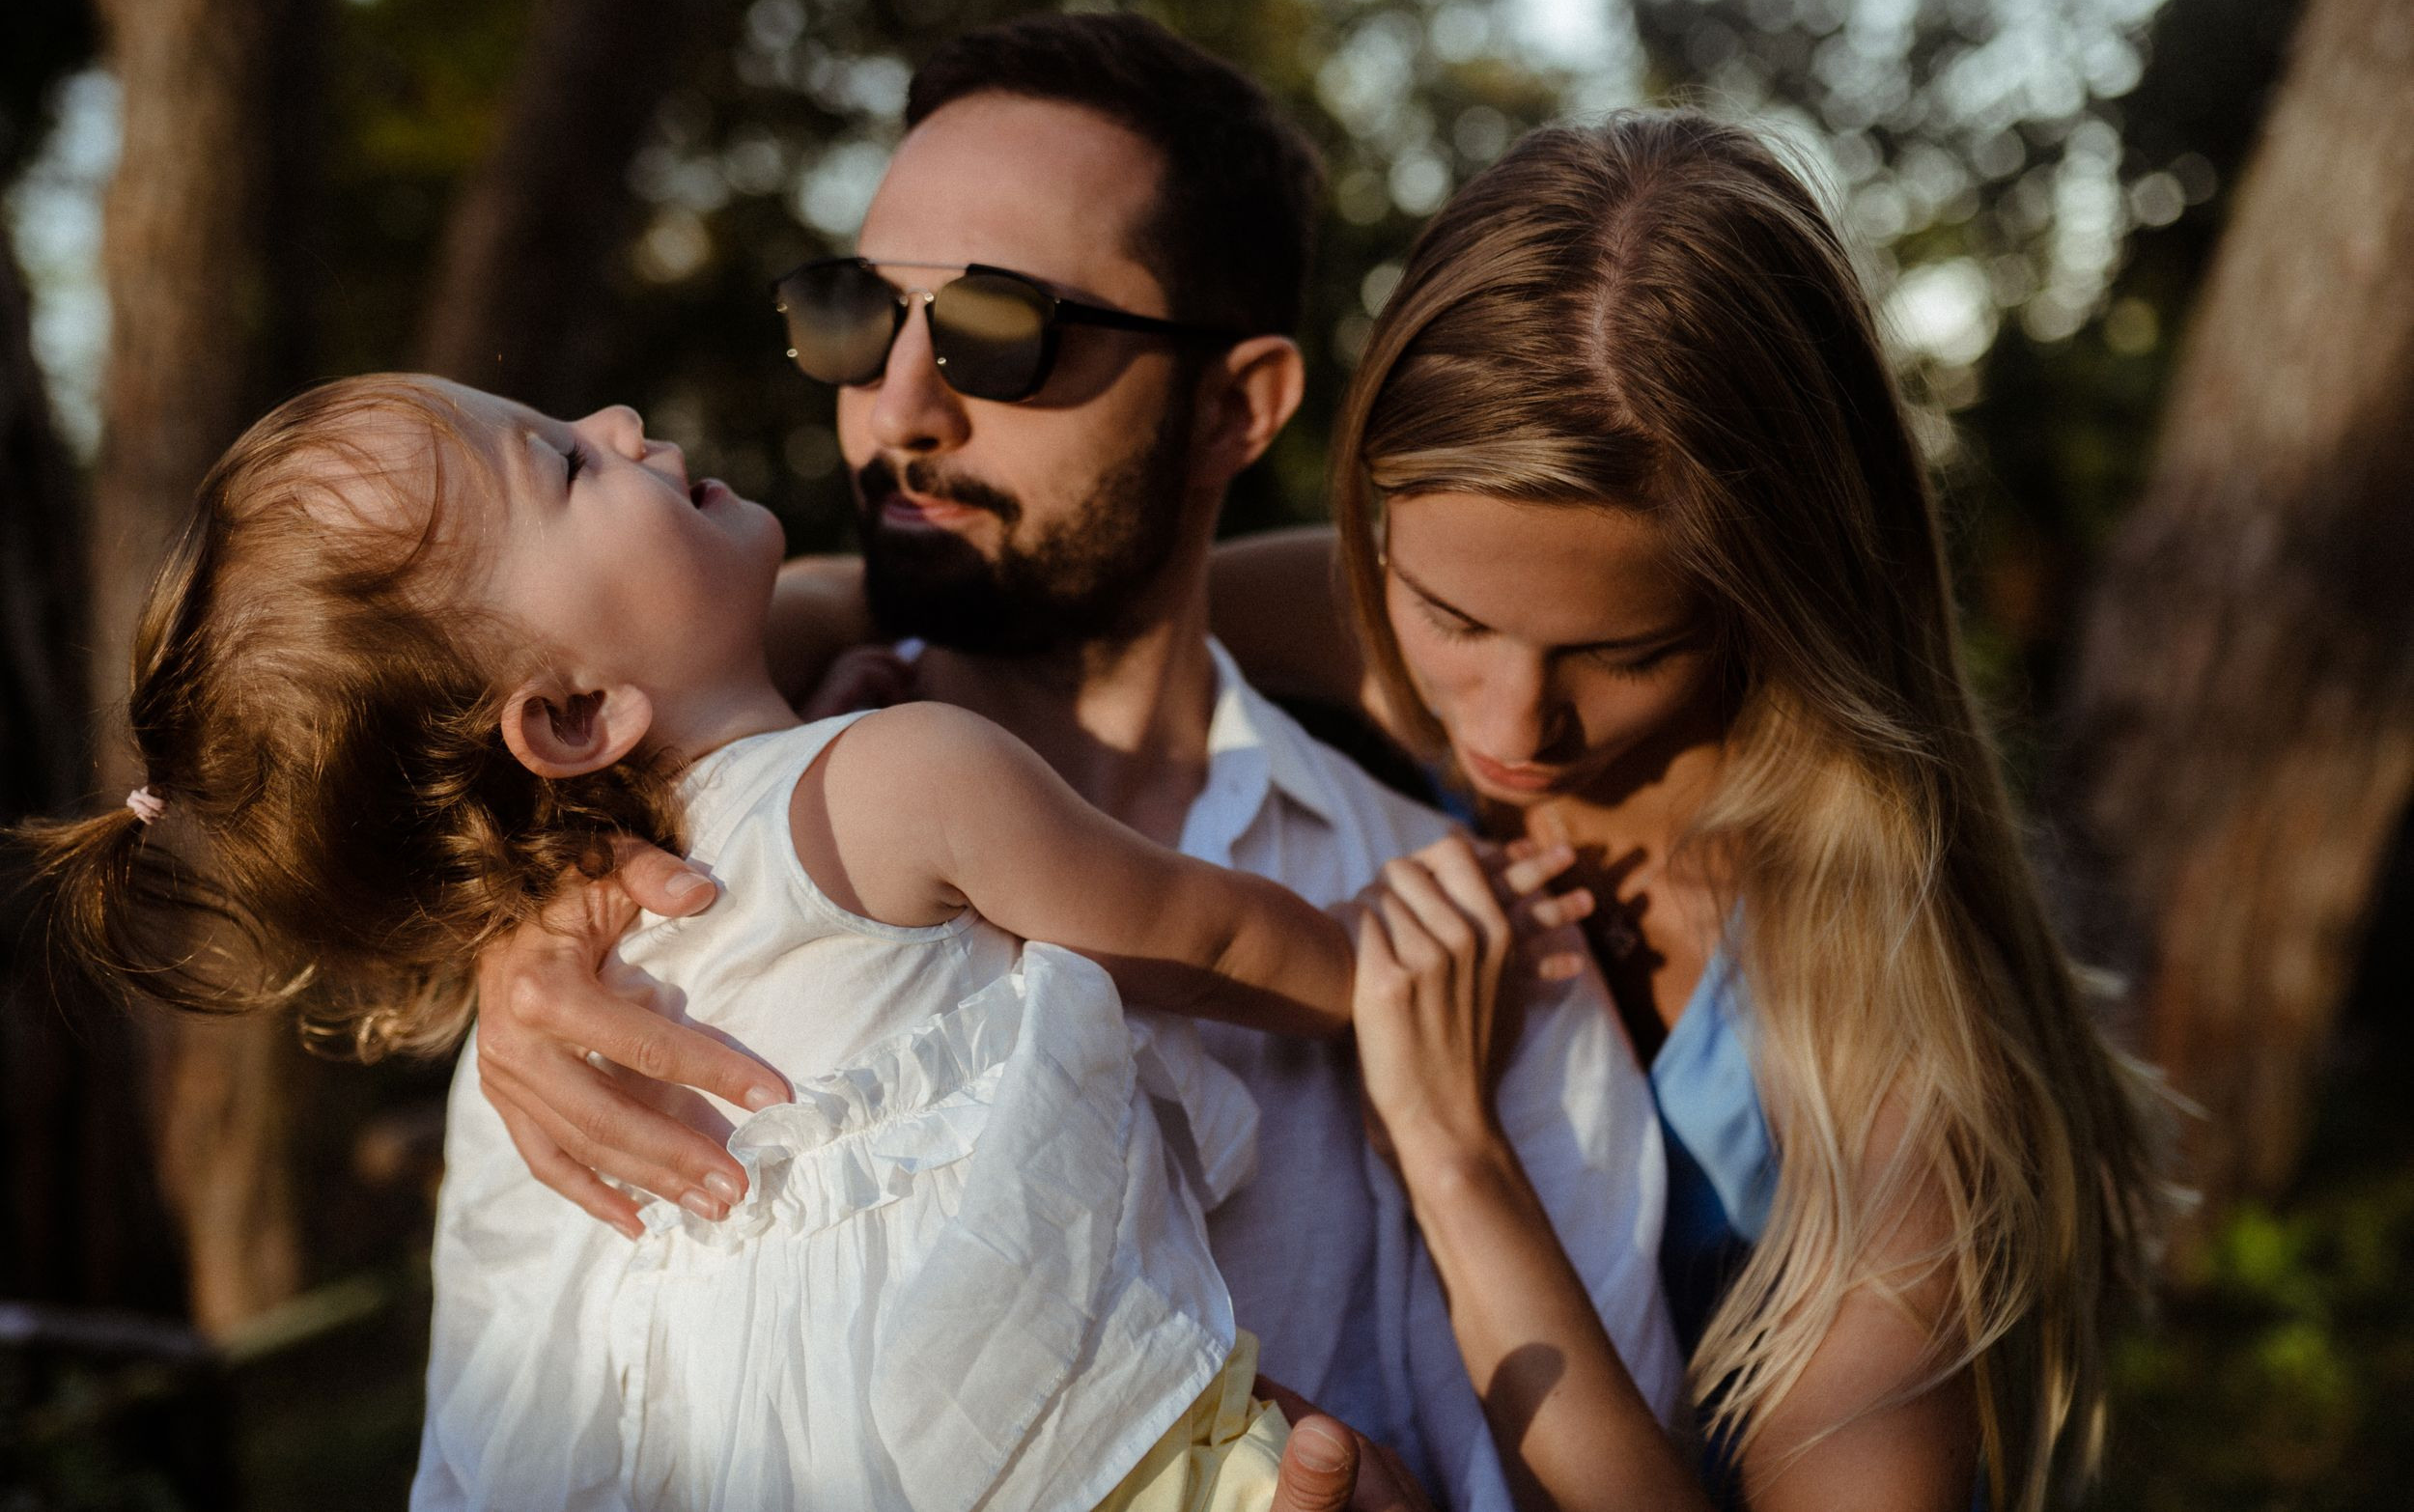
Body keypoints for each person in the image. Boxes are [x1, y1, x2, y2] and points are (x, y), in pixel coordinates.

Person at [457, 14, 1684, 1508]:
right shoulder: (602, 957)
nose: (897, 407)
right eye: (854, 316)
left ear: (1239, 405)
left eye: (995, 329)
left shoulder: (1455, 947)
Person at [17, 370, 1586, 1508]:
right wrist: (1400, 948)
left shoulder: (567, 989)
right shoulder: (906, 777)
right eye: (566, 465)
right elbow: (1209, 938)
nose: (623, 424)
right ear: (568, 714)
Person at [1198, 112, 2170, 1510]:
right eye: (1446, 615)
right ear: (1376, 518)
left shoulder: (1878, 1042)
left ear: (1780, 599)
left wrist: (1452, 1152)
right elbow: (917, 610)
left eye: (1628, 652)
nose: (1505, 727)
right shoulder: (1387, 627)